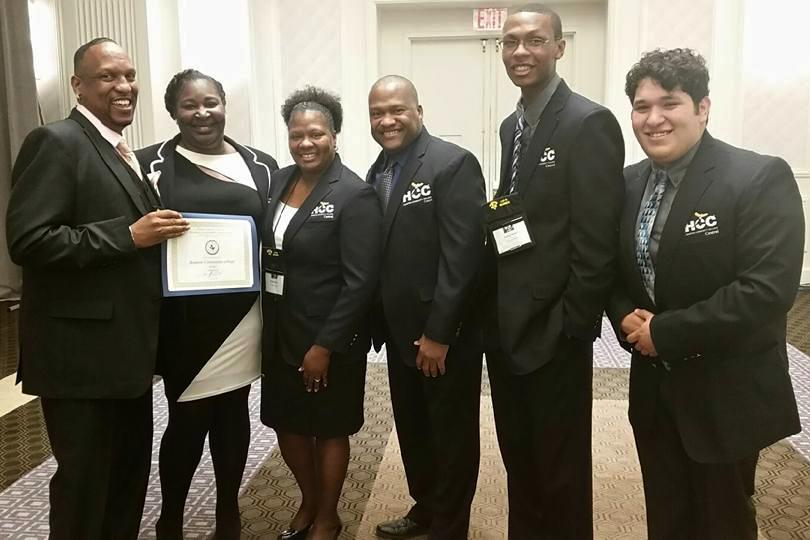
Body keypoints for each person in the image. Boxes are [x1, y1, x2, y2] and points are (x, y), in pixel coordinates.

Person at [607, 48, 804, 540]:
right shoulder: (627, 184)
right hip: (654, 389)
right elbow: (608, 267)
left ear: (702, 107)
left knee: (723, 519)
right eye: (641, 106)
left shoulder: (758, 177)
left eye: (668, 103)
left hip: (726, 390)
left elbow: (766, 290)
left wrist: (666, 333)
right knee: (668, 514)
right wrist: (624, 319)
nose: (653, 119)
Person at [5, 37, 188, 539]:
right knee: (85, 487)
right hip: (79, 360)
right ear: (77, 85)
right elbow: (28, 240)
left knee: (126, 480)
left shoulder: (117, 148)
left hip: (124, 356)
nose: (124, 86)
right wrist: (126, 236)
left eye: (128, 76)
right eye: (108, 76)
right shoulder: (57, 141)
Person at [481, 5, 625, 538]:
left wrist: (574, 323)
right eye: (511, 41)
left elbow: (597, 239)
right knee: (520, 455)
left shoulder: (589, 122)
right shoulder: (510, 126)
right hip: (509, 319)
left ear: (560, 48)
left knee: (560, 465)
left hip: (557, 327)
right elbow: (515, 214)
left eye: (535, 41)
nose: (521, 51)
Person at [137, 69, 278, 539]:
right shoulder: (150, 164)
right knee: (187, 418)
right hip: (183, 317)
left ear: (224, 104)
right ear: (172, 110)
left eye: (211, 102)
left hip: (243, 313)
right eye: (190, 105)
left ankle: (227, 514)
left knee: (234, 414)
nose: (202, 113)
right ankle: (171, 517)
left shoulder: (260, 163)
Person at [261, 86, 382, 540]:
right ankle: (308, 499)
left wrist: (324, 345)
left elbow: (360, 281)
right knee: (286, 422)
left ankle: (328, 514)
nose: (305, 143)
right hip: (279, 329)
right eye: (297, 135)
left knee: (329, 428)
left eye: (316, 134)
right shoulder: (278, 180)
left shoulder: (354, 194)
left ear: (334, 134)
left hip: (329, 336)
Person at [368, 75, 486, 540]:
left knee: (451, 434)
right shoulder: (377, 170)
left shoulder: (452, 164)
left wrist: (440, 333)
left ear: (419, 109)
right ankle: (426, 507)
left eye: (397, 109)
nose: (387, 120)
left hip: (442, 335)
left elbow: (463, 258)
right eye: (377, 112)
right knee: (414, 428)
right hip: (399, 332)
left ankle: (451, 526)